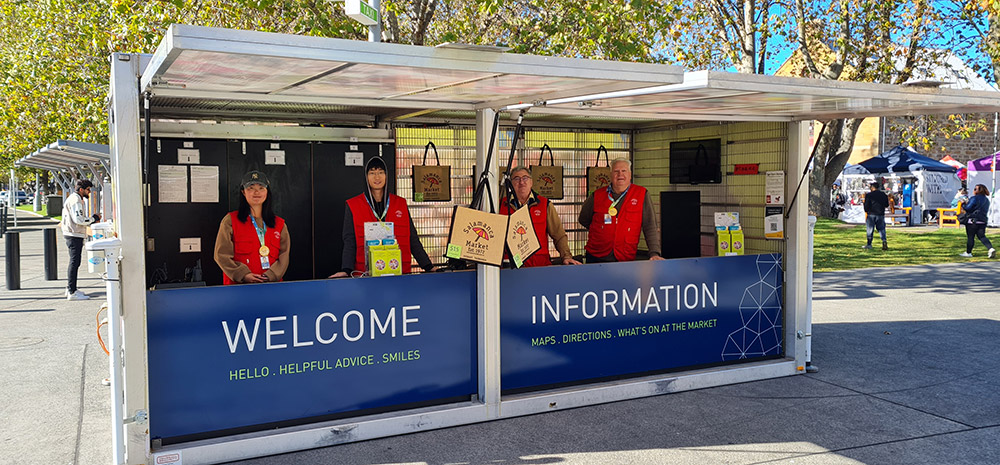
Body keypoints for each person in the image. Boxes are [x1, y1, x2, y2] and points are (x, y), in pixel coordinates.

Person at [331, 157, 436, 277]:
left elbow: (412, 238)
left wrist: (428, 266)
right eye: (372, 173)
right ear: (366, 177)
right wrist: (346, 270)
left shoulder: (400, 204)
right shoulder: (353, 205)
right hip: (365, 274)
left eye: (381, 172)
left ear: (386, 176)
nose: (377, 177)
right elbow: (349, 241)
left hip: (397, 272)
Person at [579, 158, 664, 262]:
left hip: (625, 257)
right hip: (596, 256)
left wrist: (654, 253)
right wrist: (601, 230)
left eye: (624, 171)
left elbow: (650, 226)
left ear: (630, 174)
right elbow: (583, 219)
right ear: (610, 174)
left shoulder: (641, 194)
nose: (620, 175)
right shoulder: (596, 195)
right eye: (616, 171)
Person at [214, 170, 290, 284]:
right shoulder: (230, 221)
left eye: (261, 188)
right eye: (251, 188)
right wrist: (243, 275)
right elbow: (221, 255)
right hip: (239, 289)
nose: (256, 192)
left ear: (267, 192)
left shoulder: (279, 224)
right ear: (243, 192)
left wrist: (271, 275)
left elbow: (284, 255)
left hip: (272, 287)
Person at [500, 166, 581, 266]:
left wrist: (566, 257)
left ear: (531, 182)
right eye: (516, 179)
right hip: (511, 267)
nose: (521, 182)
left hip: (539, 265)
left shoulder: (545, 204)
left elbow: (558, 234)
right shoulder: (500, 205)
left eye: (525, 178)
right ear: (511, 183)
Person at [61, 179, 101, 300]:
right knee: (74, 262)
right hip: (74, 234)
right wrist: (93, 218)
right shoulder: (76, 201)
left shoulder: (74, 199)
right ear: (81, 189)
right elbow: (79, 220)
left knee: (74, 262)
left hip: (72, 233)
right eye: (88, 190)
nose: (89, 192)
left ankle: (71, 288)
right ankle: (72, 291)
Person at [959, 184, 995, 258]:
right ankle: (990, 248)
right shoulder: (986, 200)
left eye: (975, 189)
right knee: (982, 236)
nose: (974, 190)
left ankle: (968, 252)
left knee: (970, 236)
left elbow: (968, 208)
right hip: (983, 220)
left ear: (978, 191)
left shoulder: (974, 198)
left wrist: (963, 204)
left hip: (972, 220)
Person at [863, 181, 889, 250]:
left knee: (870, 229)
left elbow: (866, 206)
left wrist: (867, 210)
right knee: (881, 229)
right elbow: (887, 204)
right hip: (880, 214)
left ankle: (869, 244)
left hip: (871, 214)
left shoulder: (869, 195)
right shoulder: (883, 195)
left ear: (872, 187)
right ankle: (884, 240)